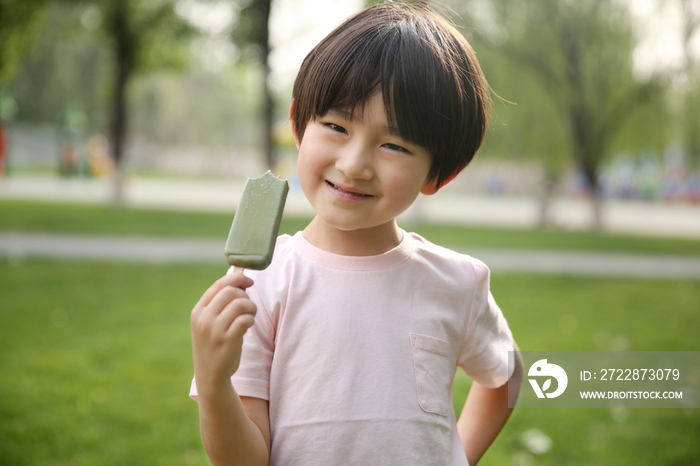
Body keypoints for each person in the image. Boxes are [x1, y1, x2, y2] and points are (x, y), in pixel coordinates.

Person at [190, 3, 524, 465]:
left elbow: (505, 373)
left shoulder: (458, 283)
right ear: (297, 126)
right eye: (335, 126)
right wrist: (213, 382)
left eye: (394, 145)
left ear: (439, 174)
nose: (353, 165)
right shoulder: (260, 287)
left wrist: (458, 457)